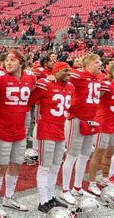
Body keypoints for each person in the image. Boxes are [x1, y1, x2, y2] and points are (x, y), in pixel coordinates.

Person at [0, 50, 35, 216]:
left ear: (21, 63)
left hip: (20, 128)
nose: (8, 63)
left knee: (16, 163)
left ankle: (9, 196)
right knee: (0, 165)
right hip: (1, 128)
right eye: (6, 60)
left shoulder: (30, 76)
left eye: (12, 60)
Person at [29, 62, 74, 213]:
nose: (69, 72)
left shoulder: (70, 87)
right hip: (46, 130)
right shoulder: (44, 84)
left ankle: (50, 197)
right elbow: (29, 99)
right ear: (56, 72)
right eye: (65, 70)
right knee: (44, 166)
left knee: (55, 167)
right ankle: (43, 201)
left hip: (60, 130)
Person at [60, 53, 102, 204]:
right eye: (97, 62)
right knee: (71, 155)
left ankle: (77, 187)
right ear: (88, 64)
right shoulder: (78, 74)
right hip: (76, 119)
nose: (100, 64)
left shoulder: (100, 77)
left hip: (91, 120)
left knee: (85, 155)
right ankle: (65, 189)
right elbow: (61, 77)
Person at [87, 63, 114, 196]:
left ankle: (104, 178)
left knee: (109, 153)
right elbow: (92, 94)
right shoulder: (106, 84)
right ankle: (92, 183)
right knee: (98, 154)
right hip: (103, 124)